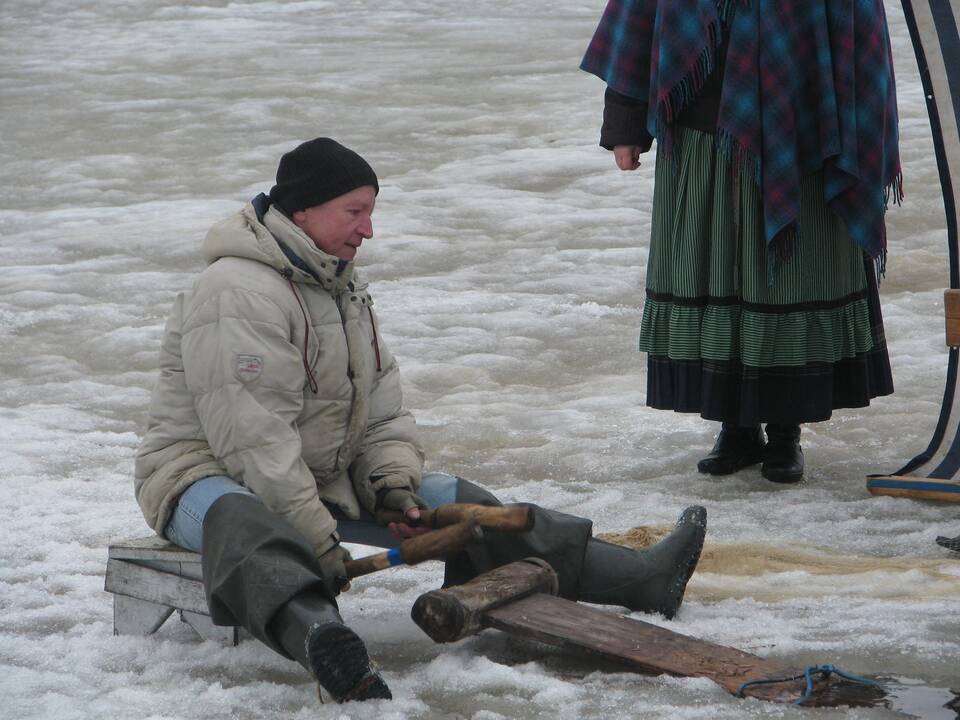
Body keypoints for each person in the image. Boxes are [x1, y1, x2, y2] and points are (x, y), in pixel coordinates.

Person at [134, 137, 708, 704]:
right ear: (301, 210)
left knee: (455, 501)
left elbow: (381, 409)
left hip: (312, 473)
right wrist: (320, 541)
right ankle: (321, 638)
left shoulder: (338, 284)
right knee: (251, 522)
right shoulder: (238, 292)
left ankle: (637, 579)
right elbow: (253, 442)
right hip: (204, 477)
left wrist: (391, 488)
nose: (368, 229)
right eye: (354, 212)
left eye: (371, 212)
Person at [580, 0, 901, 483]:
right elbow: (639, 19)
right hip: (703, 137)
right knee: (722, 273)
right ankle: (736, 428)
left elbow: (861, 41)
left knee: (787, 280)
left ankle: (786, 432)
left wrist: (859, 138)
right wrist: (624, 126)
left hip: (803, 136)